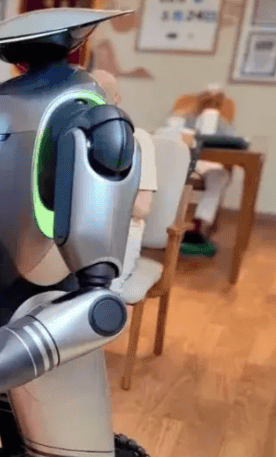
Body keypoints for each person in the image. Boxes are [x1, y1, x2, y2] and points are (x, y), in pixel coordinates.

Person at [91, 70, 159, 298]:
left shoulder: (138, 139)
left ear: (117, 100)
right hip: (73, 231)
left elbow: (142, 208)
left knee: (98, 295)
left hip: (118, 235)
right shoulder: (70, 136)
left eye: (103, 95)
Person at [164, 83, 235, 257]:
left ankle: (200, 224)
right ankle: (166, 222)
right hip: (189, 162)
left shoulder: (223, 124)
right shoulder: (187, 119)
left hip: (213, 165)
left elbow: (233, 141)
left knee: (218, 176)